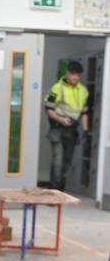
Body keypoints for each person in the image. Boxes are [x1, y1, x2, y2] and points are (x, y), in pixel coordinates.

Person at [44, 60, 89, 191]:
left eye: (78, 75)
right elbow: (49, 110)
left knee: (67, 163)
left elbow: (85, 112)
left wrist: (85, 130)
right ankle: (54, 190)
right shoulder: (57, 88)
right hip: (57, 129)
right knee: (57, 161)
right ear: (68, 73)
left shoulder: (83, 91)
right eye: (73, 74)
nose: (76, 77)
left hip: (72, 131)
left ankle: (60, 190)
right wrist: (61, 119)